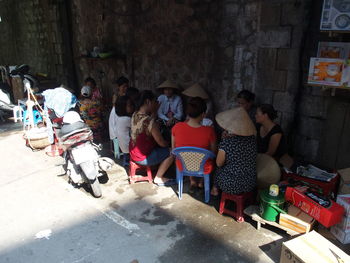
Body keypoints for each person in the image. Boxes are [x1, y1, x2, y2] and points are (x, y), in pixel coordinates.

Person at [129, 90, 175, 186]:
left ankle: (156, 166)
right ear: (148, 102)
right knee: (172, 152)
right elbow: (161, 142)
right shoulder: (150, 122)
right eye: (154, 102)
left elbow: (149, 121)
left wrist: (154, 111)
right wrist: (169, 145)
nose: (156, 104)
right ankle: (158, 178)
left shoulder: (135, 114)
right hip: (143, 157)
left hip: (133, 153)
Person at [172, 97, 216, 190]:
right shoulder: (209, 131)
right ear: (203, 114)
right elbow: (213, 152)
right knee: (207, 157)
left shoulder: (176, 127)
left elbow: (174, 149)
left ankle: (192, 181)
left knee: (187, 154)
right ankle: (201, 182)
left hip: (183, 165)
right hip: (203, 167)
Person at [211, 107, 257, 196]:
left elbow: (219, 163)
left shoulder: (227, 142)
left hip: (231, 185)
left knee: (217, 168)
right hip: (250, 182)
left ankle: (215, 189)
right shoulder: (252, 139)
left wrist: (223, 141)